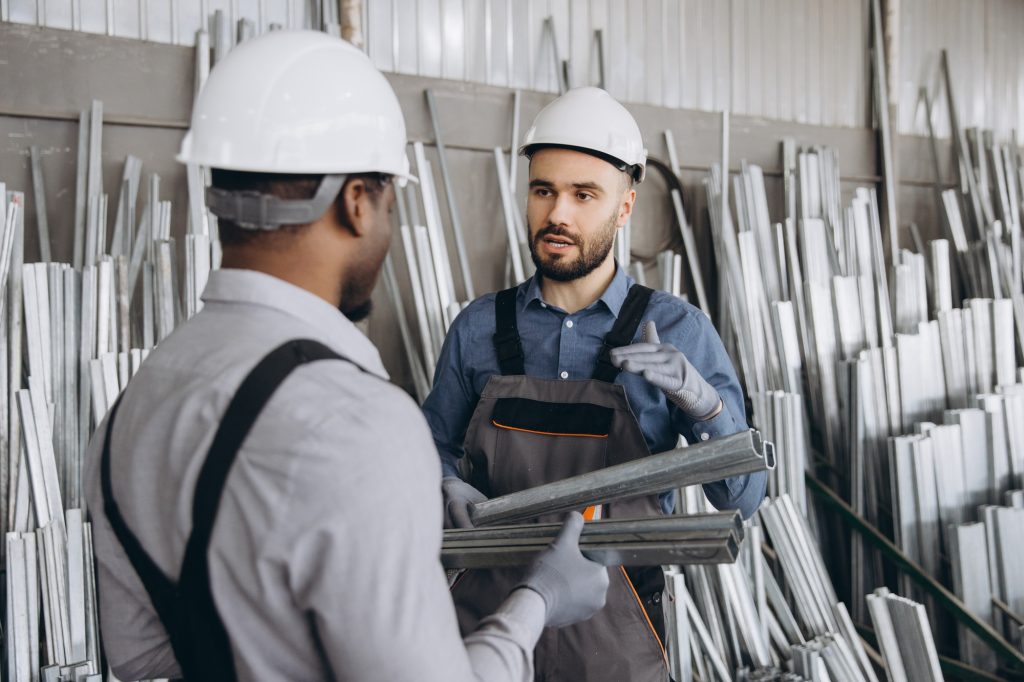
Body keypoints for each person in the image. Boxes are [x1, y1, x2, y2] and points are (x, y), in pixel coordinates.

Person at [84, 31, 610, 682]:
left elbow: (141, 660)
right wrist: (539, 601)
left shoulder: (132, 408)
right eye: (388, 200)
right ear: (358, 200)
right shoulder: (360, 424)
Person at [423, 86, 768, 682]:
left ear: (625, 206)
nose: (558, 214)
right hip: (489, 635)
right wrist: (443, 481)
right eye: (543, 190)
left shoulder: (679, 331)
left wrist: (706, 407)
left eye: (584, 195)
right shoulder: (479, 328)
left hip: (617, 638)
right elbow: (428, 447)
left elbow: (740, 500)